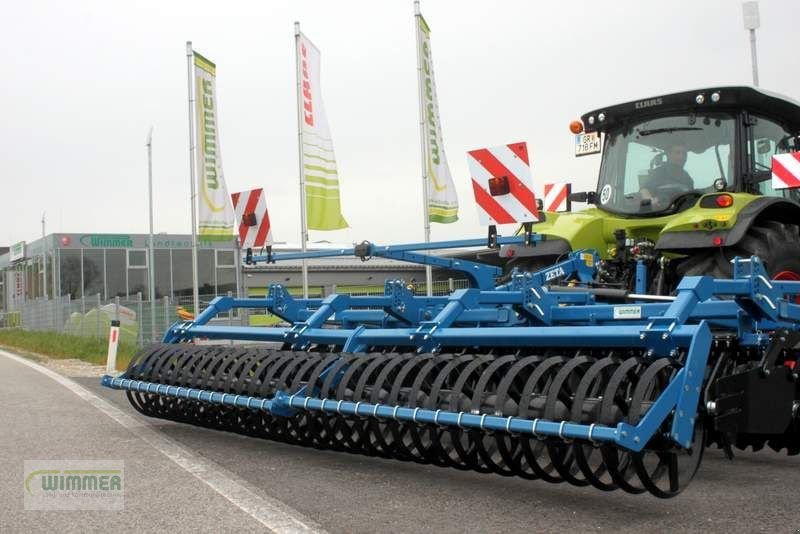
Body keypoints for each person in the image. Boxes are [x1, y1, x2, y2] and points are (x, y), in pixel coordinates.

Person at [640, 143, 694, 208]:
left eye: (684, 153)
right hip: (660, 212)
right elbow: (644, 189)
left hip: (682, 212)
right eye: (677, 153)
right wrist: (650, 200)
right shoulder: (658, 172)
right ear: (668, 155)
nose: (681, 157)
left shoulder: (687, 178)